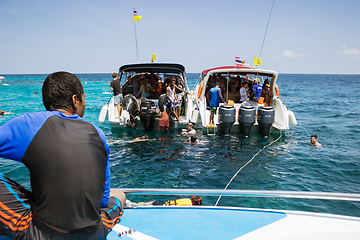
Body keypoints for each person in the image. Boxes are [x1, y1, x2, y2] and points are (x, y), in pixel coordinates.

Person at [0, 71, 126, 239]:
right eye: (84, 99)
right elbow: (102, 202)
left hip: (41, 235)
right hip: (94, 234)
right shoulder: (98, 133)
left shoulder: (31, 124)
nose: (85, 104)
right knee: (119, 195)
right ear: (75, 100)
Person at [126, 195, 202, 207]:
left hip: (164, 204)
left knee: (150, 203)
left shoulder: (187, 200)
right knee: (147, 204)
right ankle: (131, 204)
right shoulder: (189, 206)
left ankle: (132, 203)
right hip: (162, 206)